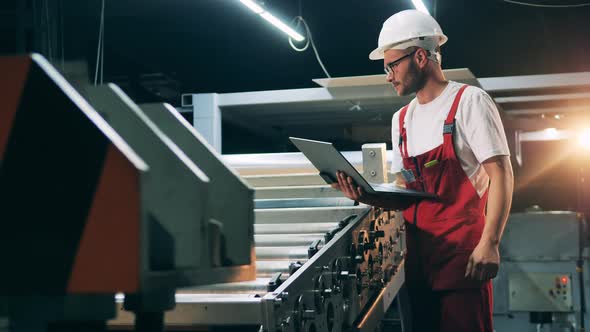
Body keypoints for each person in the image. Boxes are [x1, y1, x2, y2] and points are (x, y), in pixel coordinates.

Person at [331, 9, 514, 332]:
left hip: (463, 262)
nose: (388, 75)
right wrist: (365, 195)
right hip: (417, 265)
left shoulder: (468, 102)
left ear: (419, 57)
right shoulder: (401, 120)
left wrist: (491, 243)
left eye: (392, 65)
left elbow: (501, 174)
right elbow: (407, 196)